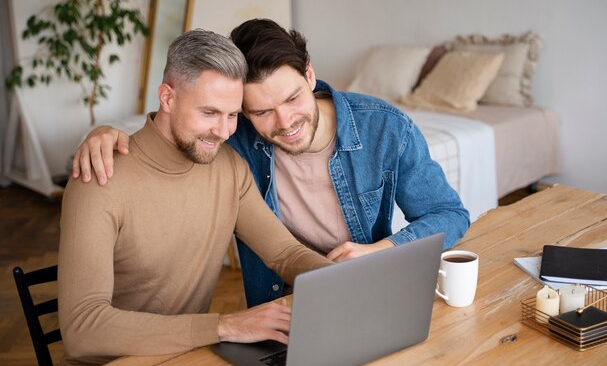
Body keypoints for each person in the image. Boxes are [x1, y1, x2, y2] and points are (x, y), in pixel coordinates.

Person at [71, 19, 470, 308]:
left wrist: (381, 251)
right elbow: (180, 121)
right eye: (260, 111)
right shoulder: (233, 134)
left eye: (293, 99)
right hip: (275, 305)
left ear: (310, 75)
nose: (284, 123)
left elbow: (449, 215)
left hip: (358, 286)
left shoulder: (385, 128)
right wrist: (103, 132)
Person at [57, 28, 333, 366]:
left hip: (185, 364)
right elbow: (84, 328)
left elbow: (285, 255)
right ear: (167, 98)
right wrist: (224, 327)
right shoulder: (101, 177)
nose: (223, 131)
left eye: (233, 115)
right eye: (209, 112)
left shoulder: (229, 168)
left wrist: (344, 282)